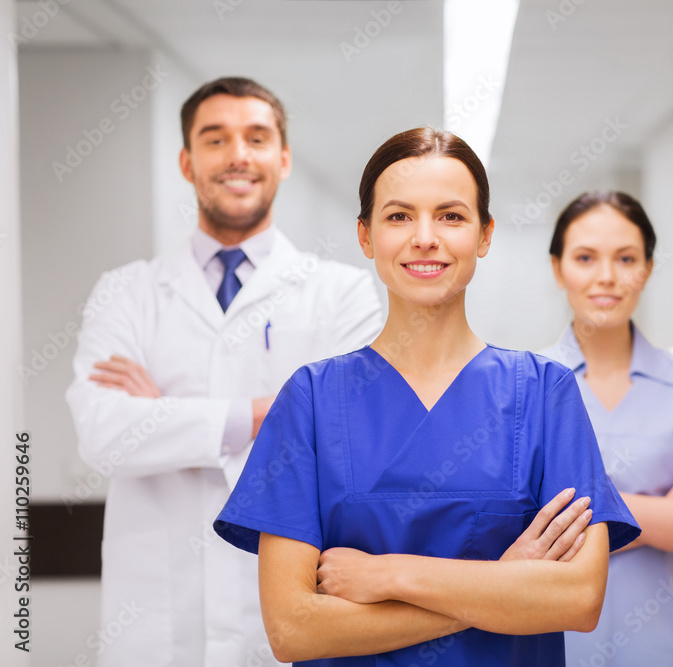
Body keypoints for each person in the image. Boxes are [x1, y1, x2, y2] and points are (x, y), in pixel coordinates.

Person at [213, 127, 640, 666]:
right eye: (398, 216)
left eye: (451, 216)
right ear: (366, 236)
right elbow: (292, 629)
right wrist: (501, 586)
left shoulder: (543, 393)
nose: (424, 237)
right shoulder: (313, 399)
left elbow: (578, 599)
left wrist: (389, 574)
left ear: (484, 236)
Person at [65, 77, 384, 667]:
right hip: (156, 626)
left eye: (257, 138)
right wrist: (266, 413)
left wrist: (164, 417)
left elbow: (344, 441)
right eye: (216, 139)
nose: (238, 154)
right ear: (187, 162)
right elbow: (104, 434)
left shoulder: (342, 294)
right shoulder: (127, 292)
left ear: (283, 159)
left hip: (285, 614)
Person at [539, 191, 673, 666]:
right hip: (554, 648)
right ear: (558, 268)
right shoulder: (525, 386)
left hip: (659, 648)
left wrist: (575, 518)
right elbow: (509, 532)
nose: (607, 276)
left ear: (648, 269)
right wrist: (666, 513)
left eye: (626, 258)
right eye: (586, 257)